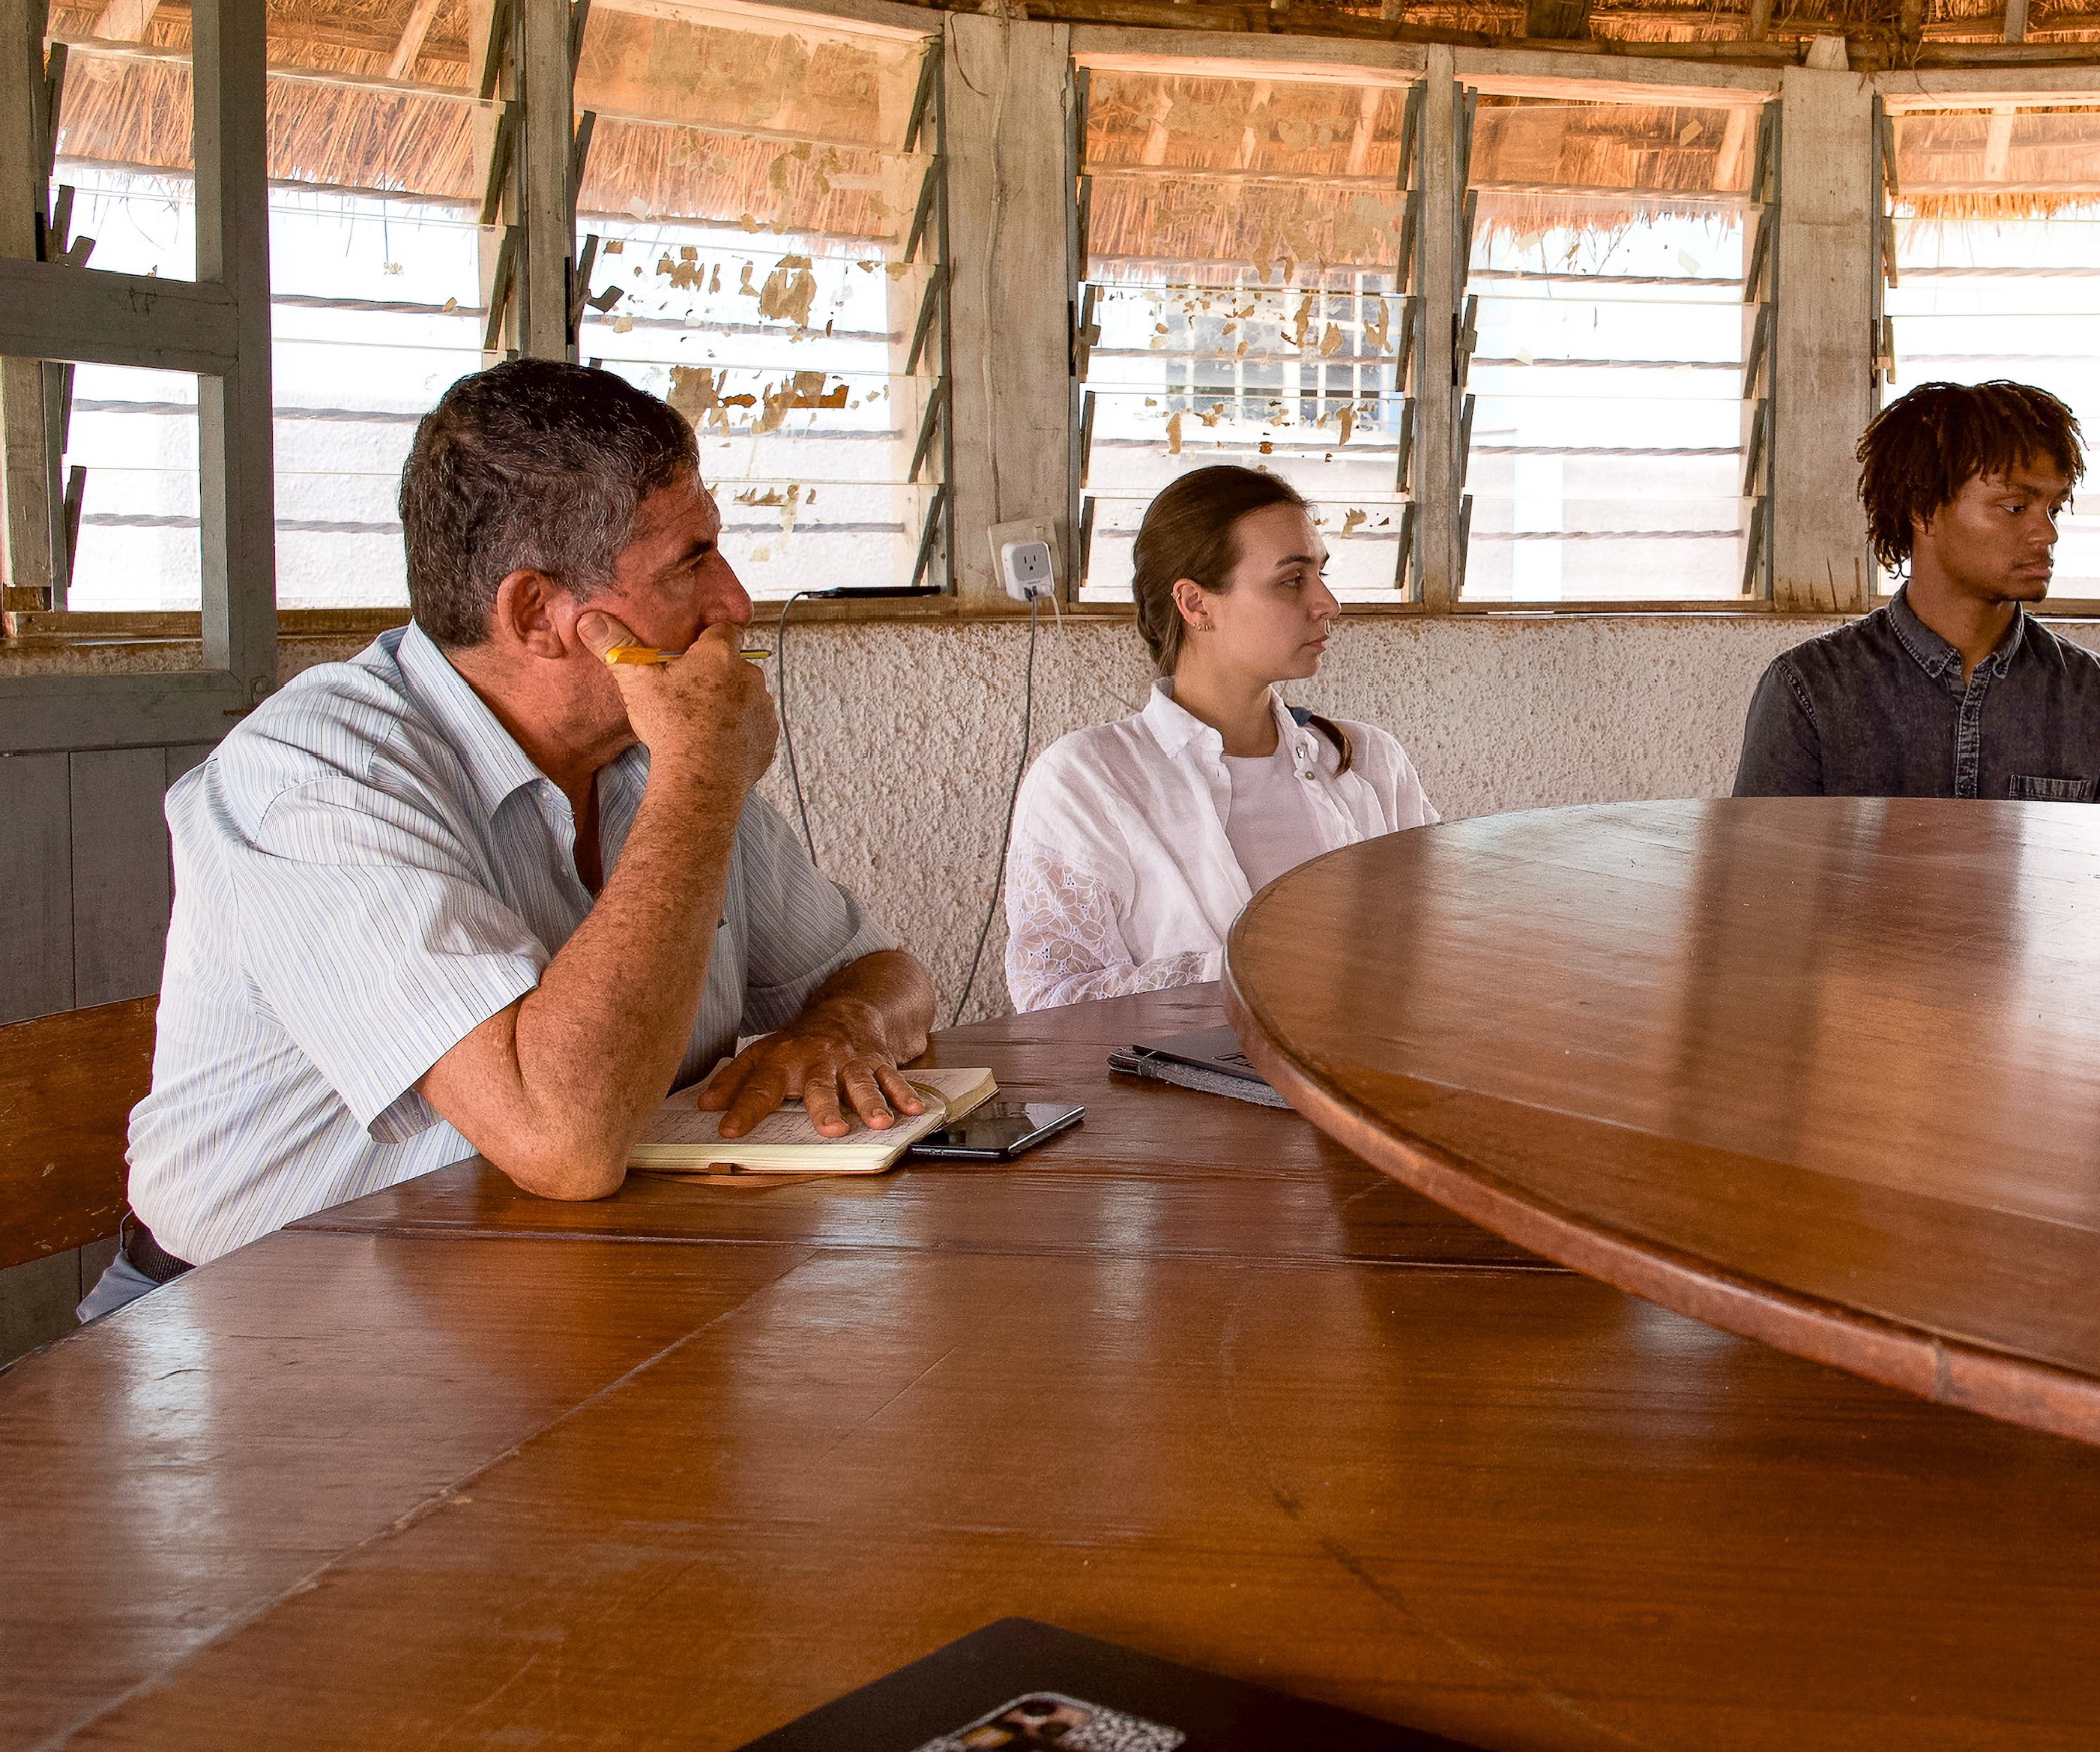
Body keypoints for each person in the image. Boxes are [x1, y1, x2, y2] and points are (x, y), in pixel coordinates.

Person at [89, 360, 936, 1320]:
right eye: (690, 563)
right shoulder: (318, 773)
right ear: (536, 614)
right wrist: (700, 780)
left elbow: (886, 973)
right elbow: (560, 1139)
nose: (735, 603)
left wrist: (840, 1027)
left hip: (542, 1304)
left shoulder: (642, 753)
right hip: (252, 1336)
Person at [1003, 465, 1437, 1008]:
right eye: (1292, 579)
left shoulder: (1370, 762)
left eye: (1321, 574)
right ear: (1195, 604)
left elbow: (1437, 946)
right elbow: (1052, 1000)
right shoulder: (1086, 780)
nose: (1328, 603)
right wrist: (1261, 966)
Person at [1731, 380, 2100, 804]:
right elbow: (1763, 871)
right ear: (1924, 512)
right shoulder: (1810, 689)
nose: (2046, 533)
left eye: (2053, 509)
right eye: (2015, 507)